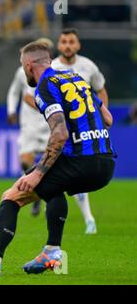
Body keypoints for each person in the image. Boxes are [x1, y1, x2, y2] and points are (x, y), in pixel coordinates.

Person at [0, 41, 116, 277]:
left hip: (80, 161)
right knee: (54, 189)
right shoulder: (76, 79)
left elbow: (60, 134)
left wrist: (37, 173)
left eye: (23, 67)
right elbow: (108, 118)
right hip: (106, 163)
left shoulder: (44, 87)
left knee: (12, 196)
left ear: (30, 65)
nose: (24, 71)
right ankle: (52, 251)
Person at [48, 28, 110, 234]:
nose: (67, 45)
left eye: (71, 41)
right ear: (59, 45)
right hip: (59, 129)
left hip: (83, 130)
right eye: (64, 41)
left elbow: (100, 89)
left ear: (78, 45)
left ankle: (86, 219)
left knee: (68, 172)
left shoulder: (88, 66)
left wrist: (102, 117)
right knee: (59, 172)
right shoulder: (52, 68)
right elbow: (34, 96)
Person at [6, 37, 53, 217]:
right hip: (29, 123)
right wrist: (11, 110)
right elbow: (15, 92)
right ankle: (35, 190)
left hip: (49, 122)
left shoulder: (56, 72)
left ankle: (43, 193)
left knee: (53, 162)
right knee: (25, 161)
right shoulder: (22, 72)